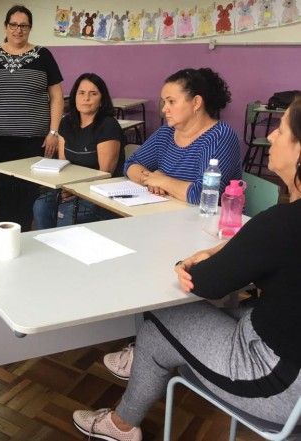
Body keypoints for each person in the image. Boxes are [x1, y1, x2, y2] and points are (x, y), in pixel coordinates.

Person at [72, 98, 301, 441]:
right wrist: (220, 249)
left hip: (277, 386)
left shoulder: (284, 223)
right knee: (202, 317)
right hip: (283, 350)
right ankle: (141, 364)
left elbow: (204, 282)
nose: (270, 137)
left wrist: (187, 262)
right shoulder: (282, 224)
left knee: (159, 317)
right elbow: (259, 249)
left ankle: (121, 423)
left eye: (281, 130)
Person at [0, 5, 64, 231]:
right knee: (6, 189)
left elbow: (57, 97)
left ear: (30, 28)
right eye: (14, 25)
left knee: (28, 191)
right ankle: (6, 235)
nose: (18, 30)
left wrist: (54, 132)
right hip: (0, 138)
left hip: (34, 138)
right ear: (6, 26)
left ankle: (24, 235)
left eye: (24, 25)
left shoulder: (43, 55)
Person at [124, 68, 241, 203]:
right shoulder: (166, 133)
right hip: (169, 213)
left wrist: (163, 181)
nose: (164, 109)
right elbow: (131, 164)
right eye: (164, 102)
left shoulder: (219, 137)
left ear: (196, 103)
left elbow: (203, 195)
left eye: (171, 102)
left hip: (207, 220)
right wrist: (151, 180)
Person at [33, 73, 125, 229]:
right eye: (81, 93)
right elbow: (63, 165)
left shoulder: (108, 126)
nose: (86, 98)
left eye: (93, 94)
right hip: (72, 187)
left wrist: (76, 190)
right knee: (41, 205)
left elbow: (105, 174)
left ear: (102, 100)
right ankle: (48, 246)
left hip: (101, 193)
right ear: (74, 96)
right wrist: (65, 188)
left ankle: (66, 251)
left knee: (67, 211)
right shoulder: (67, 122)